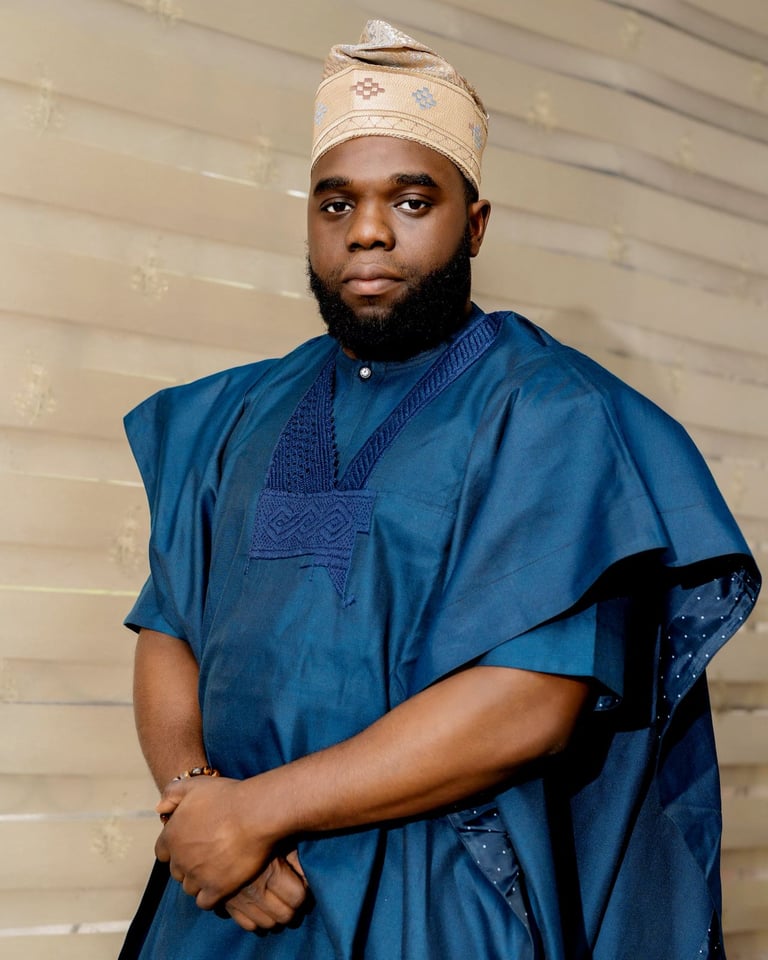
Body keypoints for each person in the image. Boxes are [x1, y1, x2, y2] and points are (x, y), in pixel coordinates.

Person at [120, 20, 760, 960]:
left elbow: (529, 703)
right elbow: (169, 627)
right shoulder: (235, 414)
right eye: (336, 204)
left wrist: (259, 812)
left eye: (412, 200)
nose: (368, 230)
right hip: (228, 902)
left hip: (441, 896)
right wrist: (199, 806)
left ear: (476, 223)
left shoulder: (548, 412)